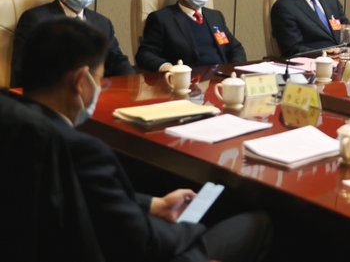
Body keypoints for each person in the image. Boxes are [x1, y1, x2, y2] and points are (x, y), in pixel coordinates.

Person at [16, 17, 271, 262]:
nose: (100, 87)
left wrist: (152, 204)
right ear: (81, 82)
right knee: (257, 222)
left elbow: (89, 193)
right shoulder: (84, 151)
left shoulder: (15, 123)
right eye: (101, 80)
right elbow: (145, 242)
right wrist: (194, 229)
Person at [12, 0, 134, 85]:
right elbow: (23, 68)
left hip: (96, 91)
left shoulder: (102, 22)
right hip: (53, 91)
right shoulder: (36, 19)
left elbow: (117, 61)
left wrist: (132, 84)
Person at [135, 0, 246, 72]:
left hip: (222, 77)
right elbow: (144, 54)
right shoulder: (162, 19)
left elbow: (236, 48)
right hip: (188, 79)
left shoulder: (215, 16)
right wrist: (165, 67)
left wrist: (233, 69)